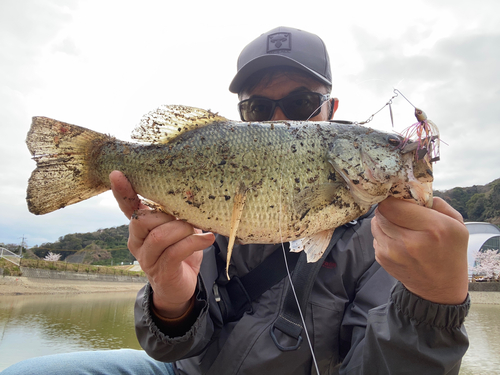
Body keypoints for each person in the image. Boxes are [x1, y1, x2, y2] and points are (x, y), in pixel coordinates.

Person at [2, 26, 470, 375]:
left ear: (332, 109)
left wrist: (434, 304)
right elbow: (173, 348)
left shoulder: (401, 236)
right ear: (239, 115)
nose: (280, 119)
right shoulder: (208, 199)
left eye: (304, 100)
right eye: (259, 108)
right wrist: (172, 301)